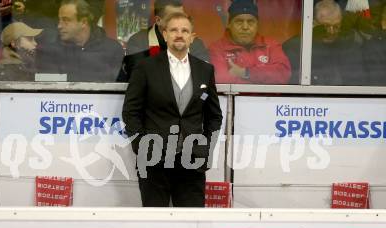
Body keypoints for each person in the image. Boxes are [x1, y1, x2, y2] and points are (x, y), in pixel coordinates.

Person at [122, 12, 223, 207]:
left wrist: (205, 149)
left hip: (192, 161)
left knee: (192, 226)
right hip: (153, 161)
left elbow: (214, 116)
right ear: (165, 34)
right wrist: (142, 147)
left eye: (185, 30)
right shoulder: (145, 68)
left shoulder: (205, 70)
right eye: (174, 30)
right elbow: (130, 112)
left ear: (192, 37)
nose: (179, 34)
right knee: (154, 225)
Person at [37, 0, 124, 82]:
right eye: (59, 20)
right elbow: (47, 88)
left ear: (83, 22)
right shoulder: (50, 52)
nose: (59, 26)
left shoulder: (113, 50)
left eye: (66, 20)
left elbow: (119, 88)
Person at [283, 0, 366, 85]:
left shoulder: (350, 46)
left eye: (336, 26)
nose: (331, 31)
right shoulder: (296, 48)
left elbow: (356, 83)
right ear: (313, 23)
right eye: (326, 26)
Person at [209, 0, 291, 84]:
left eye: (250, 22)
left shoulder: (270, 44)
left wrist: (245, 72)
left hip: (269, 98)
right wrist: (264, 81)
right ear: (229, 24)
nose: (245, 27)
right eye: (239, 21)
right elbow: (222, 81)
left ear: (257, 25)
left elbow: (283, 74)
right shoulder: (217, 48)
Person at [123, 0, 209, 80]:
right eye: (173, 17)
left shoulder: (194, 42)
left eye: (182, 16)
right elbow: (138, 77)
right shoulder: (139, 41)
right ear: (158, 20)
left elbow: (203, 77)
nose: (179, 21)